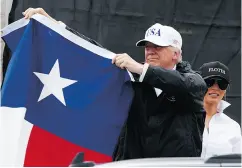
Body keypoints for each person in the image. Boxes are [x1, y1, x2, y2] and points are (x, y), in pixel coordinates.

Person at [22, 8, 207, 159]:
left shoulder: (193, 83)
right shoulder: (132, 77)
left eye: (157, 47)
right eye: (147, 47)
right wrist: (55, 26)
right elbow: (94, 54)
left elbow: (184, 85)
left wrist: (141, 70)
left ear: (176, 54)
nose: (150, 51)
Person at [198, 61, 241, 158]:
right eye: (209, 82)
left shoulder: (233, 126)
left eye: (222, 84)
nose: (216, 87)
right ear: (199, 84)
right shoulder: (183, 120)